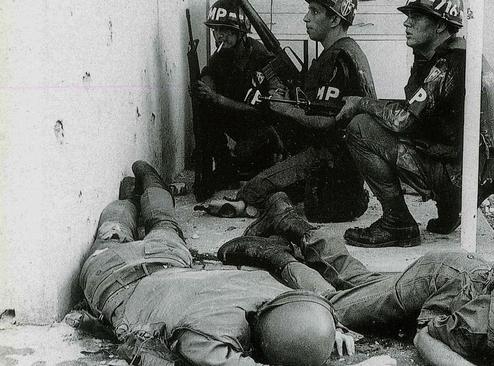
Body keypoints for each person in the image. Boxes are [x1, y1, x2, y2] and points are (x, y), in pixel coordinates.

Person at [217, 192, 494, 366]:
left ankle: (289, 218)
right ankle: (273, 253)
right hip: (440, 283)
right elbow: (427, 337)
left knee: (362, 285)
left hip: (468, 276)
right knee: (335, 308)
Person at [76, 160, 395, 366]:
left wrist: (328, 326)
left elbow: (304, 300)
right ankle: (132, 199)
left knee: (162, 222)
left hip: (164, 262)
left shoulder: (264, 286)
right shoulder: (209, 337)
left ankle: (140, 192)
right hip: (111, 276)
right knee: (114, 231)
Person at [334, 0, 494, 247]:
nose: (406, 22)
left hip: (458, 178)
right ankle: (449, 213)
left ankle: (396, 222)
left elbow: (403, 120)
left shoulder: (446, 64)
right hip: (470, 172)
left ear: (441, 26)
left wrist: (361, 104)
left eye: (417, 17)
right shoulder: (458, 55)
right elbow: (424, 111)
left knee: (360, 128)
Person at [235, 0, 376, 223]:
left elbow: (326, 122)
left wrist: (285, 108)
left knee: (252, 190)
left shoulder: (336, 58)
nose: (306, 18)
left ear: (335, 19)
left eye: (315, 11)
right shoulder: (348, 51)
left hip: (330, 172)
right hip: (344, 170)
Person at [192, 0, 287, 201]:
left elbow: (265, 110)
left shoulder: (261, 57)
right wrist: (204, 85)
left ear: (241, 32)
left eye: (226, 30)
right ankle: (223, 168)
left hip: (264, 126)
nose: (219, 36)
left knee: (248, 159)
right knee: (203, 105)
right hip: (239, 120)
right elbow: (210, 72)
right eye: (216, 30)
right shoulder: (221, 54)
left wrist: (217, 98)